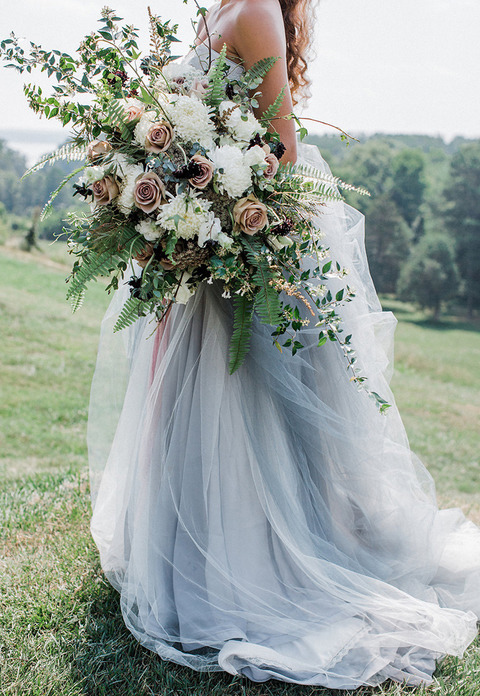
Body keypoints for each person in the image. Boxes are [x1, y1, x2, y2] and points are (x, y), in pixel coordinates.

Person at [87, 0, 480, 688]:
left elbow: (282, 151)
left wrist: (201, 201)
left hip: (245, 246)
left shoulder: (256, 10)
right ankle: (192, 552)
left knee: (250, 407)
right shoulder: (216, 9)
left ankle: (254, 565)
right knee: (199, 401)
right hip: (201, 248)